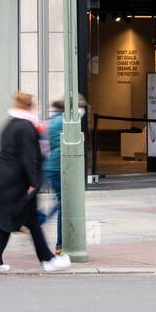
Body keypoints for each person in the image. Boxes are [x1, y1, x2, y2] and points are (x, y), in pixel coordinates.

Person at [0, 92, 70, 273]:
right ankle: (48, 260)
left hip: (6, 182)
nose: (37, 109)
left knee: (7, 222)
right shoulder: (26, 127)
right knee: (31, 221)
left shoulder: (10, 124)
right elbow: (29, 158)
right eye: (35, 106)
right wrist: (34, 182)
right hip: (19, 184)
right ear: (29, 107)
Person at [39, 94, 86, 254]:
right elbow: (66, 148)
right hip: (60, 168)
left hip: (51, 166)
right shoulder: (65, 122)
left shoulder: (54, 119)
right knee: (64, 206)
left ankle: (40, 221)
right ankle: (60, 244)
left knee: (60, 203)